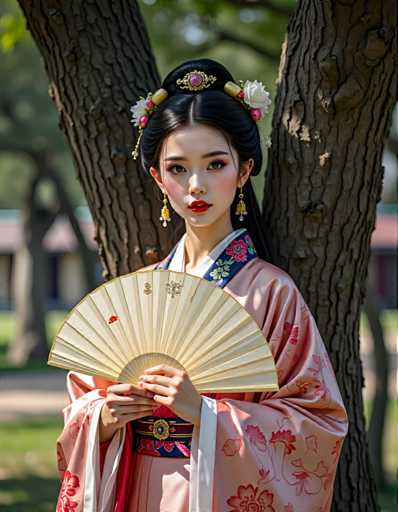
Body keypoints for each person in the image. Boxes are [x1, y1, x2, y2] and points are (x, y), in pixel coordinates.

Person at [55, 58, 348, 512]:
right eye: (177, 169)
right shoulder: (140, 292)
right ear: (157, 178)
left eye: (215, 164)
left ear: (244, 170)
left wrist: (205, 414)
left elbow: (318, 424)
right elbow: (81, 401)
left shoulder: (271, 293)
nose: (196, 185)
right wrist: (105, 418)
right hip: (135, 487)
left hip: (213, 490)